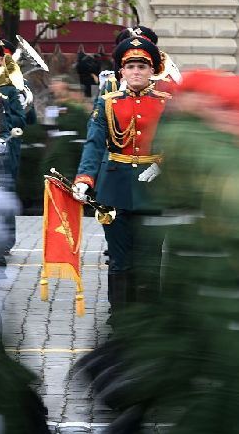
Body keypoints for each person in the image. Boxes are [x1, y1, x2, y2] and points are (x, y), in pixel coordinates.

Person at [72, 36, 169, 317]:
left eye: (142, 66)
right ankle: (121, 318)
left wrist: (163, 164)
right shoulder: (107, 103)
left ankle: (148, 318)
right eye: (131, 67)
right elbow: (94, 144)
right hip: (115, 188)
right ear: (121, 71)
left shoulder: (166, 103)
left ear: (152, 71)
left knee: (150, 258)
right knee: (119, 259)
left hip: (153, 189)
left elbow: (176, 143)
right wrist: (84, 178)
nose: (136, 72)